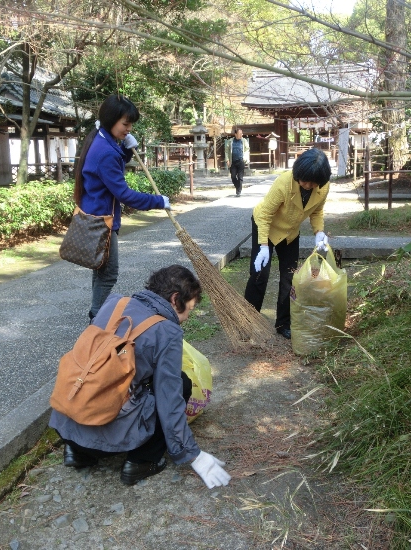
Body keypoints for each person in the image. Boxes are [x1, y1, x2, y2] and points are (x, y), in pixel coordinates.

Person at [49, 265, 231, 489]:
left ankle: (77, 452)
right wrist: (193, 455)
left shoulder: (115, 302)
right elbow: (169, 401)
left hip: (66, 422)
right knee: (181, 383)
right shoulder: (167, 331)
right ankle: (141, 462)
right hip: (101, 435)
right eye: (189, 309)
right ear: (175, 300)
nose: (186, 317)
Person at [73, 94, 171, 321]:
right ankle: (97, 319)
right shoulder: (105, 150)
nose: (128, 129)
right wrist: (159, 201)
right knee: (109, 273)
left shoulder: (101, 139)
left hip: (95, 215)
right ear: (111, 119)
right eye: (125, 124)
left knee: (100, 269)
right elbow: (124, 195)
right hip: (101, 222)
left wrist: (126, 150)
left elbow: (112, 166)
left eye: (130, 125)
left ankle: (96, 312)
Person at [244, 148, 331, 340]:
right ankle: (247, 321)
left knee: (290, 277)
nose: (308, 185)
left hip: (290, 232)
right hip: (265, 226)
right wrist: (263, 246)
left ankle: (284, 323)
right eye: (304, 180)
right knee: (259, 274)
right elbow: (265, 215)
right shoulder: (283, 183)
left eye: (313, 182)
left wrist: (319, 232)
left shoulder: (323, 187)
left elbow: (317, 211)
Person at [224, 127, 250, 196]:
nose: (241, 135)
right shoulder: (230, 141)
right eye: (239, 133)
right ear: (235, 134)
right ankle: (238, 187)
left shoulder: (244, 141)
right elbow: (226, 151)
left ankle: (238, 191)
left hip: (241, 161)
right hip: (233, 161)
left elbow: (247, 149)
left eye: (242, 133)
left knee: (240, 177)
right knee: (233, 176)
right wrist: (227, 160)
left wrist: (246, 158)